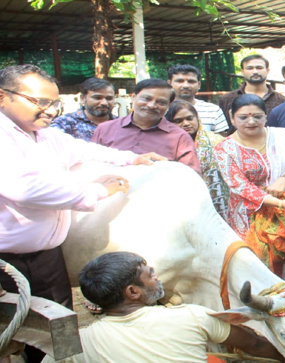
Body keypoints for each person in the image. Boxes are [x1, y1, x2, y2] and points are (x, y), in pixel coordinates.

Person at [0, 64, 163, 362]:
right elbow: (25, 190)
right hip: (6, 261)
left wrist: (133, 158)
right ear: (2, 97)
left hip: (47, 255)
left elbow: (83, 150)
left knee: (57, 330)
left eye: (54, 102)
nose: (50, 110)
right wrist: (98, 192)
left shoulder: (46, 135)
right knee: (8, 334)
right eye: (39, 102)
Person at [42, 252, 285, 363]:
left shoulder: (78, 343)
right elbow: (255, 345)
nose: (156, 276)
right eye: (150, 274)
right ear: (133, 292)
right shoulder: (192, 316)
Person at [214, 94, 285, 277]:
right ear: (231, 117)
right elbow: (240, 186)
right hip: (249, 215)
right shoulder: (224, 148)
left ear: (266, 115)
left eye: (257, 116)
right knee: (258, 266)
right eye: (243, 117)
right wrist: (281, 204)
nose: (251, 121)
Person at [91, 78, 201, 174]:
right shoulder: (105, 129)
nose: (151, 105)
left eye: (161, 102)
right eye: (146, 99)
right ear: (134, 97)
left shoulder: (179, 137)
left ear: (169, 105)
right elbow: (89, 165)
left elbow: (190, 177)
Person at [164, 100, 229, 219]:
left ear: (197, 118)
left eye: (190, 118)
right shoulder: (165, 145)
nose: (186, 123)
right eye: (178, 121)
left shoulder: (217, 141)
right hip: (181, 201)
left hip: (217, 201)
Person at [219, 55, 285, 128]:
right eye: (250, 68)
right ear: (243, 72)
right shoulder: (227, 99)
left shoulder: (282, 101)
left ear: (267, 71)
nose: (255, 71)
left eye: (259, 68)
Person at [167, 64, 229, 135]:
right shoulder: (162, 110)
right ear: (169, 84)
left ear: (199, 85)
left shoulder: (213, 110)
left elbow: (221, 142)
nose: (186, 86)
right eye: (180, 81)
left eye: (191, 81)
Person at [50, 77, 116, 141]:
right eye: (97, 98)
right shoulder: (65, 123)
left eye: (109, 98)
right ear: (82, 98)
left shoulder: (121, 124)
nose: (104, 103)